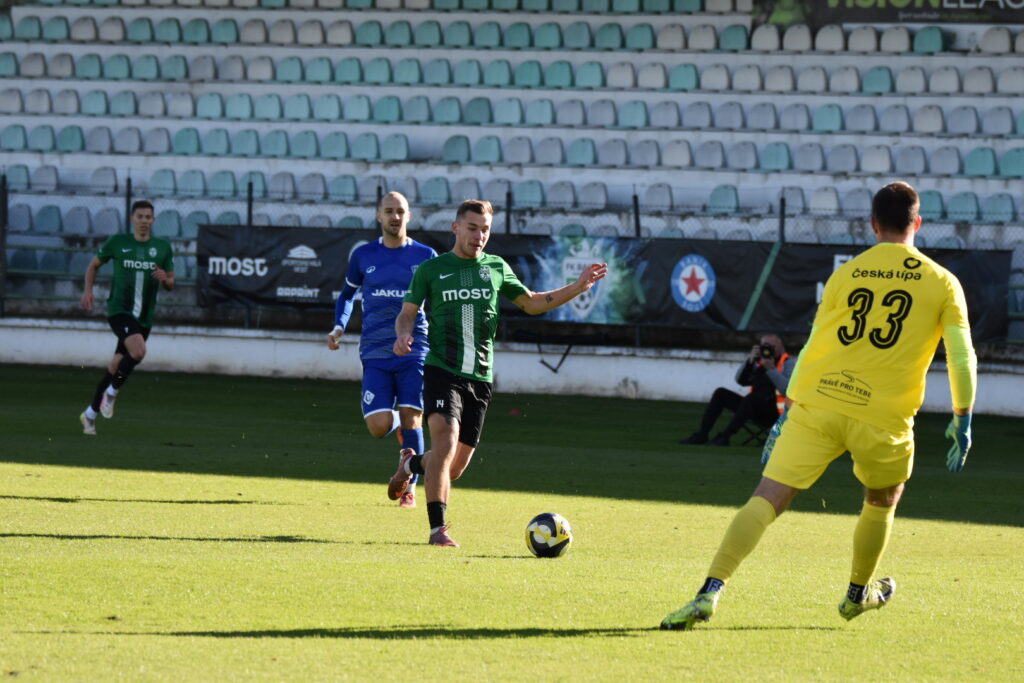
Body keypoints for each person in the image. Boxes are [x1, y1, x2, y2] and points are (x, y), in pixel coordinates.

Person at [661, 181, 976, 630]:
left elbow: (813, 346)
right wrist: (963, 416)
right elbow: (962, 356)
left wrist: (789, 409)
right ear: (918, 223)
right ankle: (856, 594)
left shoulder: (846, 275)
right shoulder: (942, 281)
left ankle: (709, 591)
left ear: (872, 224)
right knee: (882, 499)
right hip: (882, 416)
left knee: (767, 497)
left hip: (820, 402)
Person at [387, 199, 607, 547]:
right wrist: (403, 334)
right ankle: (437, 530)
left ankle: (411, 466)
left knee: (453, 468)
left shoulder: (496, 267)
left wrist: (577, 287)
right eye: (472, 228)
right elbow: (407, 313)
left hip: (480, 378)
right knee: (444, 441)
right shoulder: (432, 269)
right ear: (456, 228)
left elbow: (531, 302)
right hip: (442, 369)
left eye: (485, 230)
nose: (479, 236)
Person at [327, 191, 436, 508]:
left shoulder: (425, 255)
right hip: (375, 351)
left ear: (409, 215)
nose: (395, 216)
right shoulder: (363, 255)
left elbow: (438, 300)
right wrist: (339, 326)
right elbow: (347, 295)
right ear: (379, 216)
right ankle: (398, 430)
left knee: (412, 417)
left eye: (400, 211)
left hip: (414, 349)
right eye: (389, 211)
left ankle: (409, 488)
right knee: (378, 427)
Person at [79, 200, 175, 435]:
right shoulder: (118, 242)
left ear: (153, 220)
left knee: (116, 366)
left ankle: (89, 414)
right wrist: (88, 291)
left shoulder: (162, 247)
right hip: (119, 310)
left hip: (144, 317)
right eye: (140, 216)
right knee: (138, 352)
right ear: (132, 219)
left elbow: (171, 283)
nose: (144, 221)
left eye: (148, 217)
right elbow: (93, 266)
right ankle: (111, 394)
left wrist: (164, 278)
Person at [679, 334, 795, 447]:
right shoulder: (759, 362)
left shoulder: (787, 363)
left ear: (781, 347)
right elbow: (740, 380)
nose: (768, 349)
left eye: (772, 346)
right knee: (721, 393)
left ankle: (725, 437)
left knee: (751, 399)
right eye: (765, 346)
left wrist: (770, 369)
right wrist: (750, 361)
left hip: (775, 412)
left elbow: (786, 390)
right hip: (752, 408)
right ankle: (702, 434)